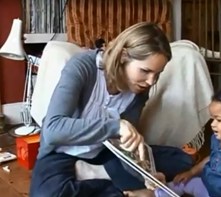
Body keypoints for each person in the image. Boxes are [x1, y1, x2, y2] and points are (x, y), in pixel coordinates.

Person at [29, 22, 193, 197]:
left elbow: (123, 144)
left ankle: (100, 176)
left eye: (157, 74)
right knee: (46, 194)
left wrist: (145, 172)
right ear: (123, 56)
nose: (151, 81)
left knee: (182, 161)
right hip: (63, 154)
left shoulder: (140, 90)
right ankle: (115, 187)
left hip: (104, 153)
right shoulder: (82, 66)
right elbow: (53, 130)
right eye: (145, 71)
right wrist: (115, 126)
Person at [125, 83, 221, 197]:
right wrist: (191, 173)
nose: (213, 124)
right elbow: (212, 158)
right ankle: (153, 193)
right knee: (181, 184)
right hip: (208, 186)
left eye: (219, 120)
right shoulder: (218, 139)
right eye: (212, 118)